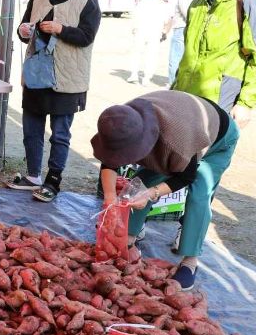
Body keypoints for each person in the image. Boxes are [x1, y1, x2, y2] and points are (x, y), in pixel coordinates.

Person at [92, 91, 239, 291]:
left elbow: (185, 177)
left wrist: (152, 193)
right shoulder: (120, 121)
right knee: (139, 184)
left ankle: (190, 261)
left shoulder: (175, 144)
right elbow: (109, 160)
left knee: (199, 195)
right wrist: (110, 197)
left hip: (217, 139)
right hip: (181, 124)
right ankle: (128, 239)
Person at [7, 0, 101, 202]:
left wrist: (61, 28)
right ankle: (33, 175)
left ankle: (53, 181)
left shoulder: (88, 1)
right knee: (31, 129)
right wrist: (23, 32)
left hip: (67, 80)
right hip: (37, 76)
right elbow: (25, 30)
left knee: (60, 134)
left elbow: (86, 37)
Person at [128, 0, 169, 85]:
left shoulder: (144, 2)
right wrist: (164, 31)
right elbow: (166, 20)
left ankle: (134, 75)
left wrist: (134, 28)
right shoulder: (162, 3)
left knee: (137, 52)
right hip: (155, 31)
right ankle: (147, 78)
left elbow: (136, 16)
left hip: (142, 30)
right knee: (152, 55)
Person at [163, 0, 198, 87]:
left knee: (175, 60)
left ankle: (173, 85)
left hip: (181, 30)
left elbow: (188, 16)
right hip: (186, 30)